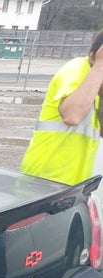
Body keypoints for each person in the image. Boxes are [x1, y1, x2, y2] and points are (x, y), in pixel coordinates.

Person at [21, 30, 103, 185]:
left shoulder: (95, 87)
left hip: (73, 185)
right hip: (45, 181)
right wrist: (100, 67)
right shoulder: (77, 69)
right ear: (93, 56)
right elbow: (72, 116)